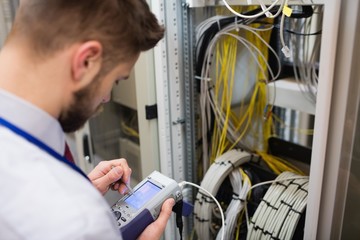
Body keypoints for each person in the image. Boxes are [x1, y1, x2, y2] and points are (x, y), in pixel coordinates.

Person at [0, 0, 175, 239]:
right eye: (115, 80)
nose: (106, 98)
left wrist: (80, 186)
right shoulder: (80, 221)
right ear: (86, 61)